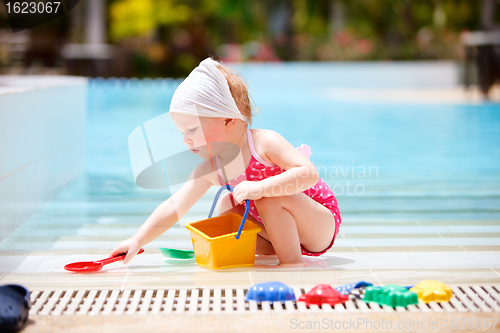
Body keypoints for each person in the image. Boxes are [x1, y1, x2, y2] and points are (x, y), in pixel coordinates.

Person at [111, 56, 341, 268]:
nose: (186, 140)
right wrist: (137, 239)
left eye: (192, 128)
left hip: (317, 223)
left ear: (229, 119)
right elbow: (174, 206)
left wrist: (260, 188)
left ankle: (291, 266)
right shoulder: (213, 167)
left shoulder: (263, 143)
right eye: (182, 132)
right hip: (277, 235)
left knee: (268, 197)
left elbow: (309, 174)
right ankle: (272, 252)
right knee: (226, 204)